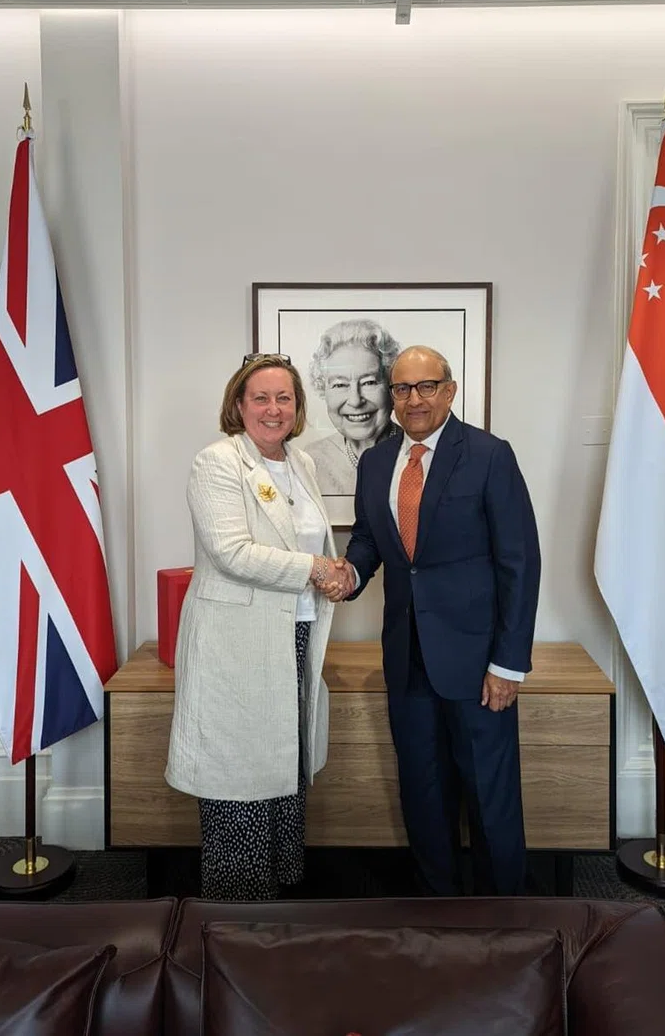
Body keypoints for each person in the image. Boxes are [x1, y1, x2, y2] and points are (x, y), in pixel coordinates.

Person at [333, 345, 540, 897]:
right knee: (423, 794)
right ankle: (439, 912)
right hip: (407, 660)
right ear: (391, 397)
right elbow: (369, 538)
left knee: (489, 797)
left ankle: (506, 921)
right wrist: (351, 575)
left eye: (426, 386)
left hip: (477, 666)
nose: (414, 399)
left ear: (449, 390)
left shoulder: (490, 455)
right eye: (402, 388)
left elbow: (519, 562)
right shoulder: (377, 461)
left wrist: (508, 663)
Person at [165, 353, 350, 901]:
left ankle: (283, 891)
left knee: (285, 759)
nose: (274, 409)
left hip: (295, 631)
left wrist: (335, 570)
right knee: (238, 768)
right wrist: (318, 571)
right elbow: (231, 552)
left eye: (285, 398)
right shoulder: (218, 462)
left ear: (298, 407)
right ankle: (236, 908)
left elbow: (308, 540)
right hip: (235, 642)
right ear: (238, 405)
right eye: (261, 398)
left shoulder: (302, 464)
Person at [307, 319, 402, 495]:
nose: (355, 401)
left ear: (392, 386)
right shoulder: (309, 462)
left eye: (369, 382)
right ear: (323, 389)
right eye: (340, 385)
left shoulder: (418, 454)